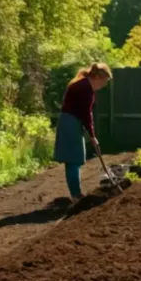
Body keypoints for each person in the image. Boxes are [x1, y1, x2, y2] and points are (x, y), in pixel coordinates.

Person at [53, 62, 112, 201]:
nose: (103, 85)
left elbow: (85, 114)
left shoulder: (83, 84)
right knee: (73, 160)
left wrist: (91, 134)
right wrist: (92, 136)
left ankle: (76, 193)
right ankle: (76, 195)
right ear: (97, 77)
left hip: (71, 122)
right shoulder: (85, 88)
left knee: (75, 159)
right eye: (104, 82)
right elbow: (86, 114)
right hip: (71, 123)